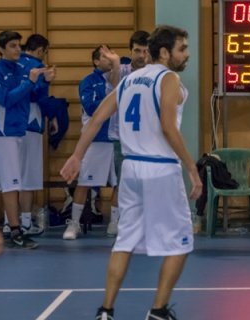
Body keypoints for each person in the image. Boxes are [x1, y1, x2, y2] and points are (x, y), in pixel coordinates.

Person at [60, 25, 202, 320]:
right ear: (164, 52)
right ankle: (159, 311)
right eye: (182, 48)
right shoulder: (169, 78)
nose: (186, 54)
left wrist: (77, 155)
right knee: (181, 241)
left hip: (131, 168)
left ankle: (106, 311)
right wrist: (192, 167)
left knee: (124, 242)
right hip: (160, 168)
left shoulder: (128, 81)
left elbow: (97, 118)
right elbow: (168, 127)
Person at [0, 31, 52, 249]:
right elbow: (6, 100)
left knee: (1, 182)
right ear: (1, 49)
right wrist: (29, 81)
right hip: (2, 133)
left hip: (17, 131)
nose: (18, 49)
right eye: (13, 46)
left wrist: (44, 82)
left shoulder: (20, 69)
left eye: (19, 45)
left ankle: (0, 229)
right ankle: (16, 231)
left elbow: (34, 95)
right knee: (11, 183)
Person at [63, 45, 120, 240]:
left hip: (118, 138)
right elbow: (90, 107)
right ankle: (74, 223)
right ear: (96, 61)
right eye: (104, 57)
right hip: (96, 139)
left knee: (119, 182)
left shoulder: (121, 78)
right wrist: (111, 100)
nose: (109, 61)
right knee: (85, 182)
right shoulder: (88, 82)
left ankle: (115, 222)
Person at [104, 30, 150, 237]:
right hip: (121, 138)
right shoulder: (120, 70)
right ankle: (117, 221)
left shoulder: (154, 74)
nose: (141, 55)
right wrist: (114, 64)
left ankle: (142, 222)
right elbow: (114, 86)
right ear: (130, 51)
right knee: (123, 182)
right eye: (137, 50)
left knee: (145, 183)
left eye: (145, 51)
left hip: (147, 139)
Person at [19, 34, 56, 235]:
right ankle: (25, 223)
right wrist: (46, 81)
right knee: (29, 175)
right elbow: (37, 96)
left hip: (9, 126)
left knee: (7, 178)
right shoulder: (37, 66)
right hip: (31, 122)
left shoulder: (9, 64)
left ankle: (10, 222)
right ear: (41, 49)